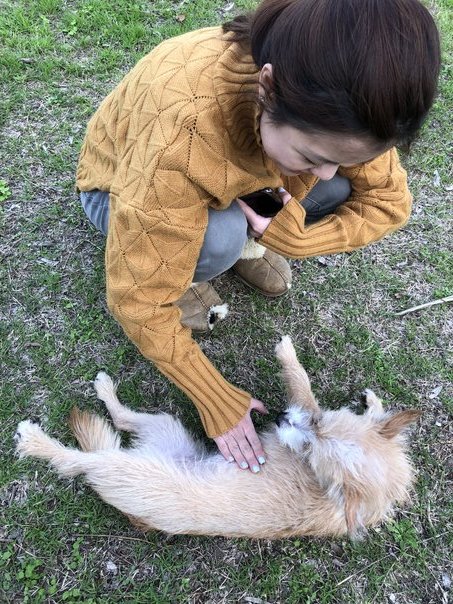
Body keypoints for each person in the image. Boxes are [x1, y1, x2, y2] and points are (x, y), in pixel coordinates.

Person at [76, 0, 440, 473]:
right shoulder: (181, 136)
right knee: (219, 238)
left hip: (242, 172)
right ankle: (194, 272)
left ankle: (251, 239)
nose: (326, 171)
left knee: (340, 188)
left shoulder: (350, 102)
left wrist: (301, 240)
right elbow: (136, 301)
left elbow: (389, 203)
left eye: (343, 157)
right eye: (313, 155)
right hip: (122, 191)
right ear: (267, 86)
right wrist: (215, 399)